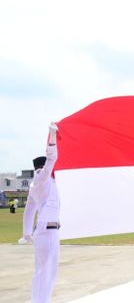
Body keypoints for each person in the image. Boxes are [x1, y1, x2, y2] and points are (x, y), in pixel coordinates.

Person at [20, 122, 59, 303]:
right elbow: (51, 158)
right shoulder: (43, 178)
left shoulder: (34, 186)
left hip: (41, 232)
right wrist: (52, 137)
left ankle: (38, 300)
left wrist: (27, 234)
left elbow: (28, 211)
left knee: (41, 271)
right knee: (48, 273)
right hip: (49, 230)